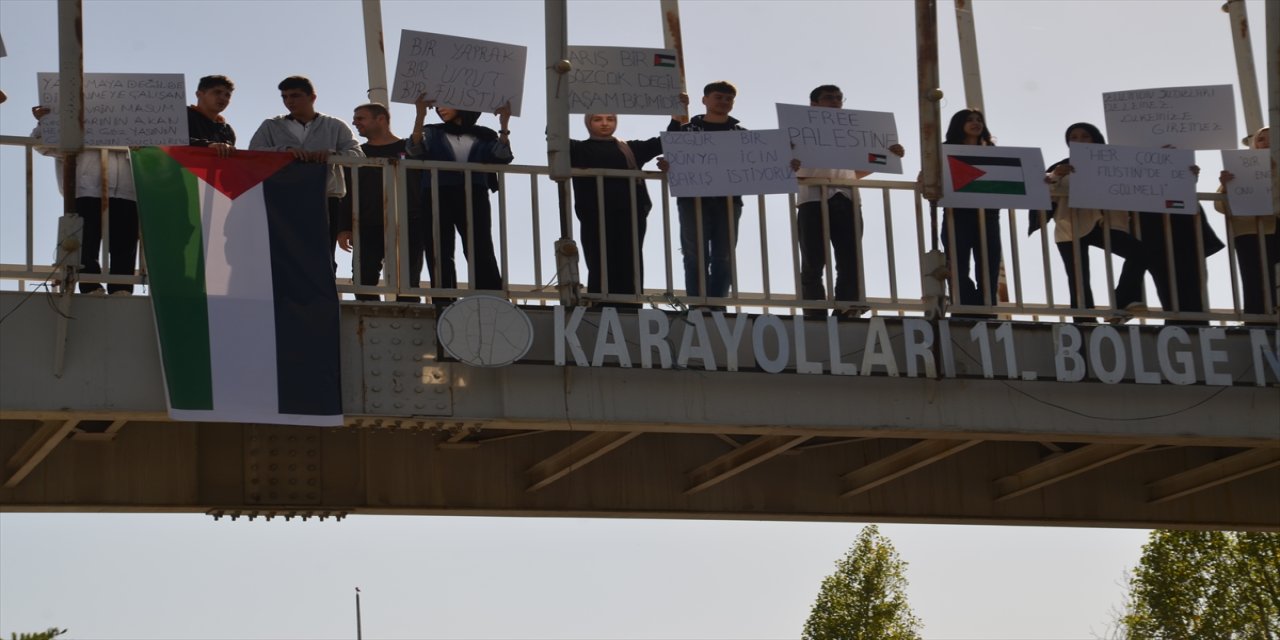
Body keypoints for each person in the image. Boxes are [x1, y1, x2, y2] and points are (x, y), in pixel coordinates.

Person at [796, 84, 905, 320]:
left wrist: (889, 156)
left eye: (838, 98)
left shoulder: (851, 134)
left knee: (850, 256)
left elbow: (857, 171)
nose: (835, 102)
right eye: (828, 98)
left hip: (846, 197)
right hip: (812, 198)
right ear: (814, 104)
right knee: (813, 259)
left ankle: (848, 306)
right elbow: (791, 168)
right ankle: (814, 310)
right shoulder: (798, 131)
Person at [1034, 122, 1147, 323]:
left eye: (1084, 136)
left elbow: (1144, 178)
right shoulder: (1062, 167)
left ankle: (1123, 301)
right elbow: (1043, 193)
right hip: (1070, 227)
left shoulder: (1116, 164)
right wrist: (1056, 175)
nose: (1079, 141)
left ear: (1095, 139)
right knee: (1078, 279)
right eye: (1074, 137)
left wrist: (1167, 161)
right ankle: (1084, 321)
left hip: (1106, 225)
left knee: (1140, 252)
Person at [248, 76, 363, 270]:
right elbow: (254, 153)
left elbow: (358, 157)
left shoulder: (335, 125)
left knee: (323, 253)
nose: (289, 101)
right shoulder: (271, 125)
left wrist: (332, 154)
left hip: (325, 196)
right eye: (284, 97)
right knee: (284, 253)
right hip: (284, 196)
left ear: (312, 97)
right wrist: (284, 151)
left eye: (295, 95)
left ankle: (323, 297)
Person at [408, 93, 512, 294]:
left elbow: (502, 156)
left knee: (480, 246)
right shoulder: (431, 131)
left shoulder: (485, 134)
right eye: (437, 105)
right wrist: (420, 115)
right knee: (438, 250)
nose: (440, 108)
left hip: (474, 193)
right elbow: (415, 151)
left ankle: (491, 296)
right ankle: (443, 300)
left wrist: (504, 125)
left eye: (445, 103)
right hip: (437, 194)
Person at [31, 104, 137, 295]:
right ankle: (90, 286)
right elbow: (42, 144)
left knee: (125, 241)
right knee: (86, 241)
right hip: (87, 190)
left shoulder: (135, 130)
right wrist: (44, 122)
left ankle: (122, 287)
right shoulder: (76, 129)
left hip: (127, 191)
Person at [569, 113, 664, 307]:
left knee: (631, 261)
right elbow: (554, 134)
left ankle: (631, 305)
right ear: (588, 123)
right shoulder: (577, 148)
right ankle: (601, 305)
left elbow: (664, 142)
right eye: (597, 119)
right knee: (598, 261)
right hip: (594, 217)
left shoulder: (631, 149)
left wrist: (678, 117)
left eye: (610, 119)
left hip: (630, 217)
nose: (604, 123)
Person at [667, 80, 745, 304]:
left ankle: (718, 303)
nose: (724, 102)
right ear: (705, 100)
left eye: (728, 98)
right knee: (694, 255)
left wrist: (788, 162)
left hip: (728, 202)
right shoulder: (687, 130)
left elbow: (763, 160)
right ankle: (698, 303)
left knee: (724, 255)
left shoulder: (741, 134)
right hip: (693, 200)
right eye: (718, 97)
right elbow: (670, 146)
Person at [338, 103, 424, 302]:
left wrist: (420, 114)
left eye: (361, 118)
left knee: (408, 282)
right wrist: (343, 228)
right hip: (368, 223)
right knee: (363, 280)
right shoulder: (356, 154)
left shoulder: (410, 149)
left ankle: (407, 323)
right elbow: (346, 191)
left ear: (381, 119)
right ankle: (368, 322)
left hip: (409, 221)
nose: (355, 123)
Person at [941, 108, 1001, 313]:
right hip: (956, 214)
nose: (976, 123)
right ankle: (965, 305)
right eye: (969, 120)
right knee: (956, 263)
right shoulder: (945, 150)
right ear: (959, 124)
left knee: (989, 262)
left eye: (979, 120)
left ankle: (986, 307)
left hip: (988, 215)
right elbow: (930, 177)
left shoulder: (992, 151)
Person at [1217, 126, 1277, 321]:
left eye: (1272, 138)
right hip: (1248, 231)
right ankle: (1256, 320)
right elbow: (1220, 206)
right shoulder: (1241, 167)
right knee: (1253, 278)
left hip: (1275, 229)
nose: (1265, 142)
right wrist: (1226, 186)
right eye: (1261, 139)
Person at [187, 75, 236, 154]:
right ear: (199, 94)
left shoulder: (227, 130)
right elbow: (169, 142)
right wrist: (208, 146)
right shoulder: (182, 116)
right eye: (217, 92)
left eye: (227, 95)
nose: (223, 98)